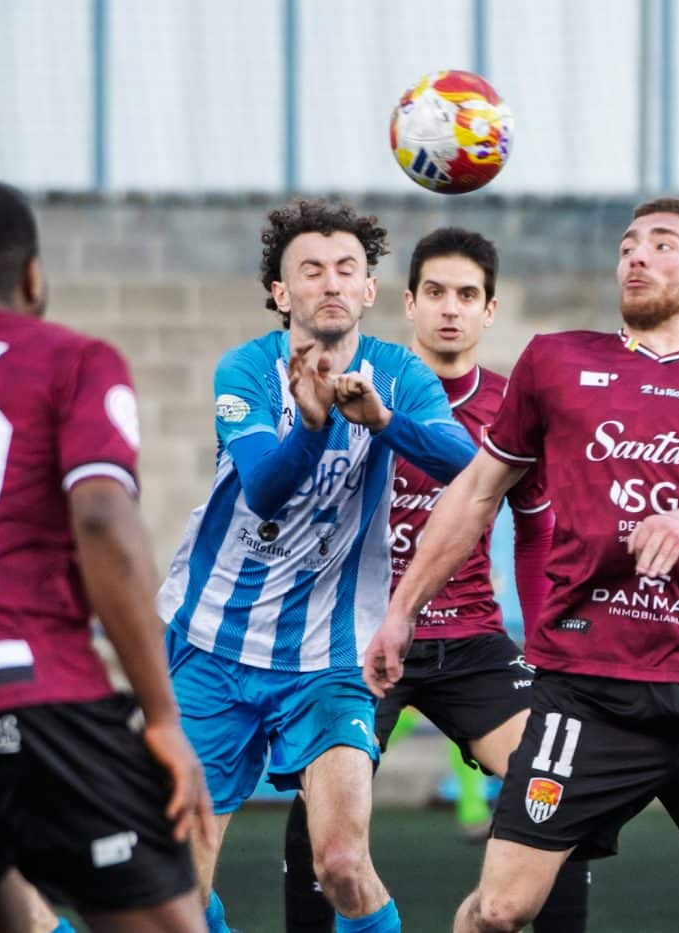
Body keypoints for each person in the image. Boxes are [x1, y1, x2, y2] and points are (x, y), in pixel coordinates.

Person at [366, 198, 679, 932]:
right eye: (628, 244)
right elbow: (476, 491)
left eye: (662, 244)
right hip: (588, 693)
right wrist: (401, 611)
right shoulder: (555, 362)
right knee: (499, 910)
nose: (635, 256)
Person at [0, 178, 212, 933]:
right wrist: (161, 715)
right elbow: (100, 517)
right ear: (33, 276)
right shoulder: (70, 357)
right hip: (31, 692)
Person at [157, 200, 478, 933]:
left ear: (369, 290)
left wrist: (384, 424)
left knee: (340, 862)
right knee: (180, 880)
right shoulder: (246, 369)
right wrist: (312, 423)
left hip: (330, 657)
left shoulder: (400, 375)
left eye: (346, 270)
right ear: (281, 293)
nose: (329, 282)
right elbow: (266, 489)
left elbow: (467, 467)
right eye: (310, 270)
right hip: (214, 643)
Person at [281, 228, 590, 933]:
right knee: (325, 819)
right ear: (409, 303)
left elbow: (539, 530)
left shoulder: (516, 405)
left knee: (556, 784)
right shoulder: (356, 384)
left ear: (489, 310)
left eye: (468, 295)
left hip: (473, 640)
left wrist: (545, 651)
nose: (451, 308)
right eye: (437, 293)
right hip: (359, 643)